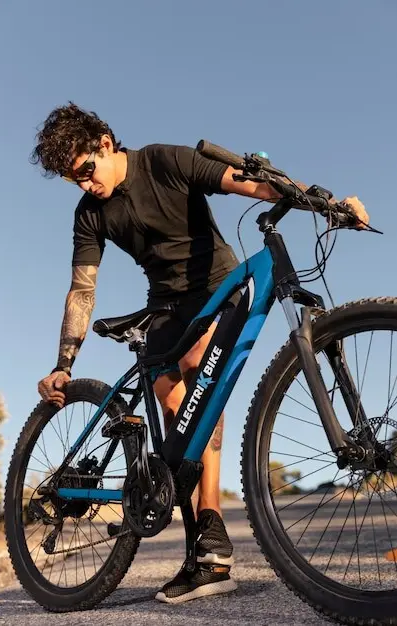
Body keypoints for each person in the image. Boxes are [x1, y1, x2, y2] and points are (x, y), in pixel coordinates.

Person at [32, 102, 369, 604]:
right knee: (175, 418)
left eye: (85, 170)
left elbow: (251, 183)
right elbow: (83, 289)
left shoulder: (163, 161)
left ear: (105, 142)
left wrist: (330, 205)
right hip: (162, 307)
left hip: (216, 288)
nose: (84, 184)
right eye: (71, 179)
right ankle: (199, 547)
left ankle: (210, 534)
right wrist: (64, 365)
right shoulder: (89, 213)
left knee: (202, 389)